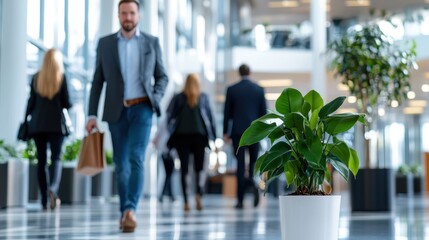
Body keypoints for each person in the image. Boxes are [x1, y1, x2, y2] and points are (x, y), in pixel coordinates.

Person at [85, 0, 168, 233]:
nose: (128, 17)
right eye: (124, 13)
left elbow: (162, 76)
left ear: (139, 15)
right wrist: (91, 114)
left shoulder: (152, 43)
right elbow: (97, 81)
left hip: (142, 108)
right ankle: (125, 212)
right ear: (118, 15)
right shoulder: (106, 44)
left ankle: (131, 209)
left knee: (136, 158)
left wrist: (156, 98)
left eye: (132, 13)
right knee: (121, 165)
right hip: (115, 110)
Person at [25, 48, 72, 211]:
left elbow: (31, 102)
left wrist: (26, 119)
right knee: (57, 158)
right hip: (56, 125)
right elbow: (67, 103)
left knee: (42, 161)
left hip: (38, 124)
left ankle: (44, 199)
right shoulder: (61, 78)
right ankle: (53, 188)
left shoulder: (37, 77)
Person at [166, 73, 216, 212]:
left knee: (185, 169)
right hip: (200, 137)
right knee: (200, 169)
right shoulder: (203, 97)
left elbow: (169, 115)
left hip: (182, 137)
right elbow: (210, 119)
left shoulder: (178, 97)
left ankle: (186, 201)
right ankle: (199, 194)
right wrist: (214, 137)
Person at [223, 64, 267, 209]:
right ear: (251, 72)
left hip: (238, 133)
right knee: (254, 165)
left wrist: (225, 133)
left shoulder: (232, 90)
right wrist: (262, 132)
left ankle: (240, 200)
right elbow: (263, 114)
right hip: (254, 132)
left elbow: (227, 114)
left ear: (239, 73)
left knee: (240, 166)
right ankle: (254, 184)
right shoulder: (259, 90)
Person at [152, 117, 176, 203]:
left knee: (169, 174)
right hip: (166, 151)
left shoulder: (166, 120)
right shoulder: (168, 120)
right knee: (169, 174)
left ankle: (169, 195)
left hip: (166, 151)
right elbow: (158, 134)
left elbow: (158, 135)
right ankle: (165, 195)